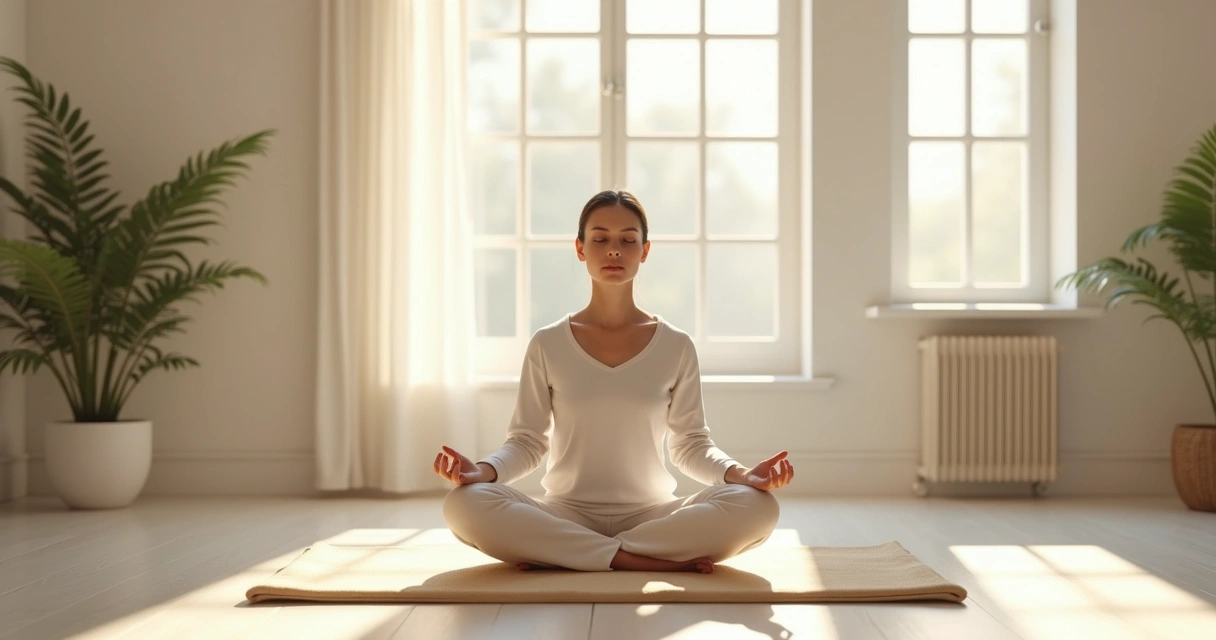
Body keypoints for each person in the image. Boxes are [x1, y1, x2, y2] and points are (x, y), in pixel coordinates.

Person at [436, 189, 794, 574]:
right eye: (600, 238)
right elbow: (527, 441)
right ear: (580, 248)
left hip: (654, 517)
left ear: (644, 250)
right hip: (564, 514)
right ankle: (632, 560)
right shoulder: (548, 343)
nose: (613, 250)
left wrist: (742, 475)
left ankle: (571, 554)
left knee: (758, 506)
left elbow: (690, 444)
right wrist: (483, 471)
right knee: (463, 503)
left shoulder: (675, 345)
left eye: (627, 240)